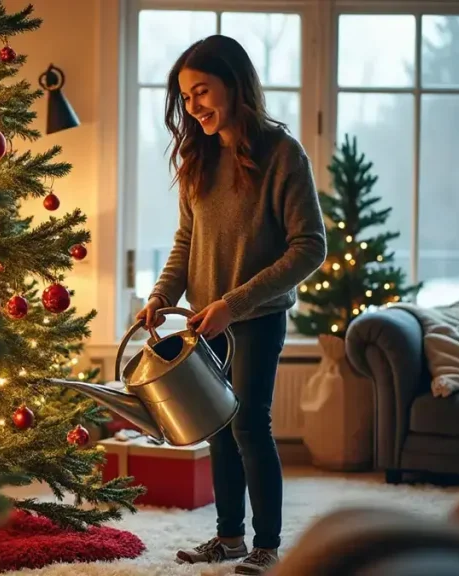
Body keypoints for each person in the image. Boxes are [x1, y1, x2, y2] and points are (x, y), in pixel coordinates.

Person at [137, 35, 326, 575]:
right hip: (205, 320)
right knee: (217, 425)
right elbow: (185, 242)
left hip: (258, 317)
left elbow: (310, 246)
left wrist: (233, 303)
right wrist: (160, 297)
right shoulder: (199, 156)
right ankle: (229, 538)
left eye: (203, 91)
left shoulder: (283, 154)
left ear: (235, 85)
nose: (193, 107)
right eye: (186, 96)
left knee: (249, 426)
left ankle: (267, 543)